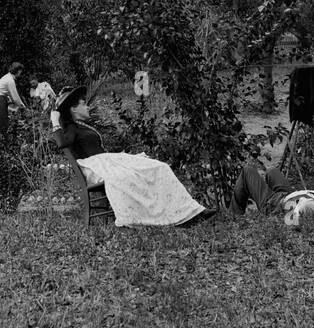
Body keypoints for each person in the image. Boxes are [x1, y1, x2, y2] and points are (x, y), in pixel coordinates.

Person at [53, 87, 215, 227]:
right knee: (143, 171)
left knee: (158, 167)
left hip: (106, 163)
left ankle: (187, 211)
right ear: (73, 109)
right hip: (98, 168)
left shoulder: (81, 127)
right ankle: (173, 214)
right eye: (83, 103)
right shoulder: (72, 128)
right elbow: (61, 143)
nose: (87, 106)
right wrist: (55, 120)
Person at [230, 161, 314, 225]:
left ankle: (232, 216)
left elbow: (302, 209)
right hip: (289, 194)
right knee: (272, 171)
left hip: (275, 204)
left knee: (247, 171)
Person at [0, 62, 28, 140]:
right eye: (20, 71)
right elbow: (16, 98)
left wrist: (8, 98)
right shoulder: (10, 80)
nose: (21, 73)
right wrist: (24, 108)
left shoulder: (7, 77)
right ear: (17, 71)